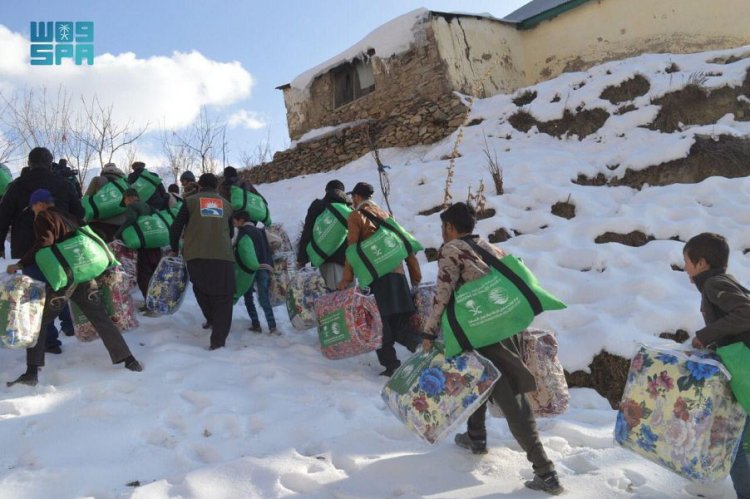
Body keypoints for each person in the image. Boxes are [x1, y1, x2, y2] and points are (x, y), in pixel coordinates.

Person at [421, 202, 563, 495]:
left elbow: (443, 293)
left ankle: (545, 471)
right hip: (503, 327)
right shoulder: (490, 248)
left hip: (483, 333)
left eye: (443, 227)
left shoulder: (452, 249)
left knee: (513, 401)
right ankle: (476, 436)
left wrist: (429, 330)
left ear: (449, 227)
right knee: (478, 379)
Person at [5, 188, 143, 387]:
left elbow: (44, 242)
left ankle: (31, 372)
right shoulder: (68, 216)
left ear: (40, 204)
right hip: (84, 274)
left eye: (34, 206)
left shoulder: (43, 217)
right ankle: (129, 360)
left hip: (65, 278)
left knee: (39, 322)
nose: (33, 210)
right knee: (100, 318)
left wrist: (21, 263)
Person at [683, 232, 750, 499]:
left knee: (733, 442)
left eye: (687, 261)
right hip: (741, 368)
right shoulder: (720, 281)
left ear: (701, 263)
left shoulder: (714, 284)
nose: (685, 268)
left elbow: (746, 312)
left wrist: (704, 336)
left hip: (744, 369)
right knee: (738, 441)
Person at [0, 147, 84, 352]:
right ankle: (68, 324)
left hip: (29, 247)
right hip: (60, 245)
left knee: (36, 291)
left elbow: (3, 216)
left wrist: (0, 243)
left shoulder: (17, 185)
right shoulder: (64, 184)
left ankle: (49, 341)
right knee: (61, 285)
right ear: (50, 162)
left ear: (29, 163)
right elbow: (79, 213)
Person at [337, 182, 421, 376]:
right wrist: (415, 275)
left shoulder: (356, 217)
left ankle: (391, 365)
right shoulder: (386, 215)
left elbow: (352, 250)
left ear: (357, 197)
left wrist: (347, 279)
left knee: (378, 323)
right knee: (400, 321)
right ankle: (418, 346)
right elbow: (405, 244)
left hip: (376, 278)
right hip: (398, 276)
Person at [169, 173, 235, 350]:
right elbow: (231, 233)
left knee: (201, 288)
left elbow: (175, 228)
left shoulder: (190, 202)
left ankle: (211, 319)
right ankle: (218, 342)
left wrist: (174, 248)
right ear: (216, 186)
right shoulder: (227, 205)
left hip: (195, 255)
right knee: (223, 297)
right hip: (222, 257)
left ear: (199, 185)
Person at [297, 179, 350, 290]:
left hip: (326, 260)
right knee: (349, 299)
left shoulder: (318, 205)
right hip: (349, 262)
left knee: (335, 299)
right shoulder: (349, 209)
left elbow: (308, 231)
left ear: (326, 191)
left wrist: (302, 258)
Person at [114, 189, 162, 305]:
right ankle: (157, 300)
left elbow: (131, 219)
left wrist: (118, 233)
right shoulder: (147, 205)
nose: (125, 202)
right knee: (155, 273)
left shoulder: (132, 206)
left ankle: (150, 304)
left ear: (128, 197)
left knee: (144, 275)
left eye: (124, 199)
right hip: (155, 244)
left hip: (143, 245)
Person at [232, 211, 277, 334]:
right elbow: (276, 242)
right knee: (264, 298)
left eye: (235, 221)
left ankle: (256, 324)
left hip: (250, 268)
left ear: (241, 220)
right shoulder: (261, 231)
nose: (234, 224)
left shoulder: (242, 232)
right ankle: (272, 326)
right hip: (265, 266)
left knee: (248, 296)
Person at [84, 162, 129, 242]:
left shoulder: (97, 180)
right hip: (122, 224)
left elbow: (87, 199)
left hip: (100, 223)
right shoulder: (126, 183)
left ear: (104, 171)